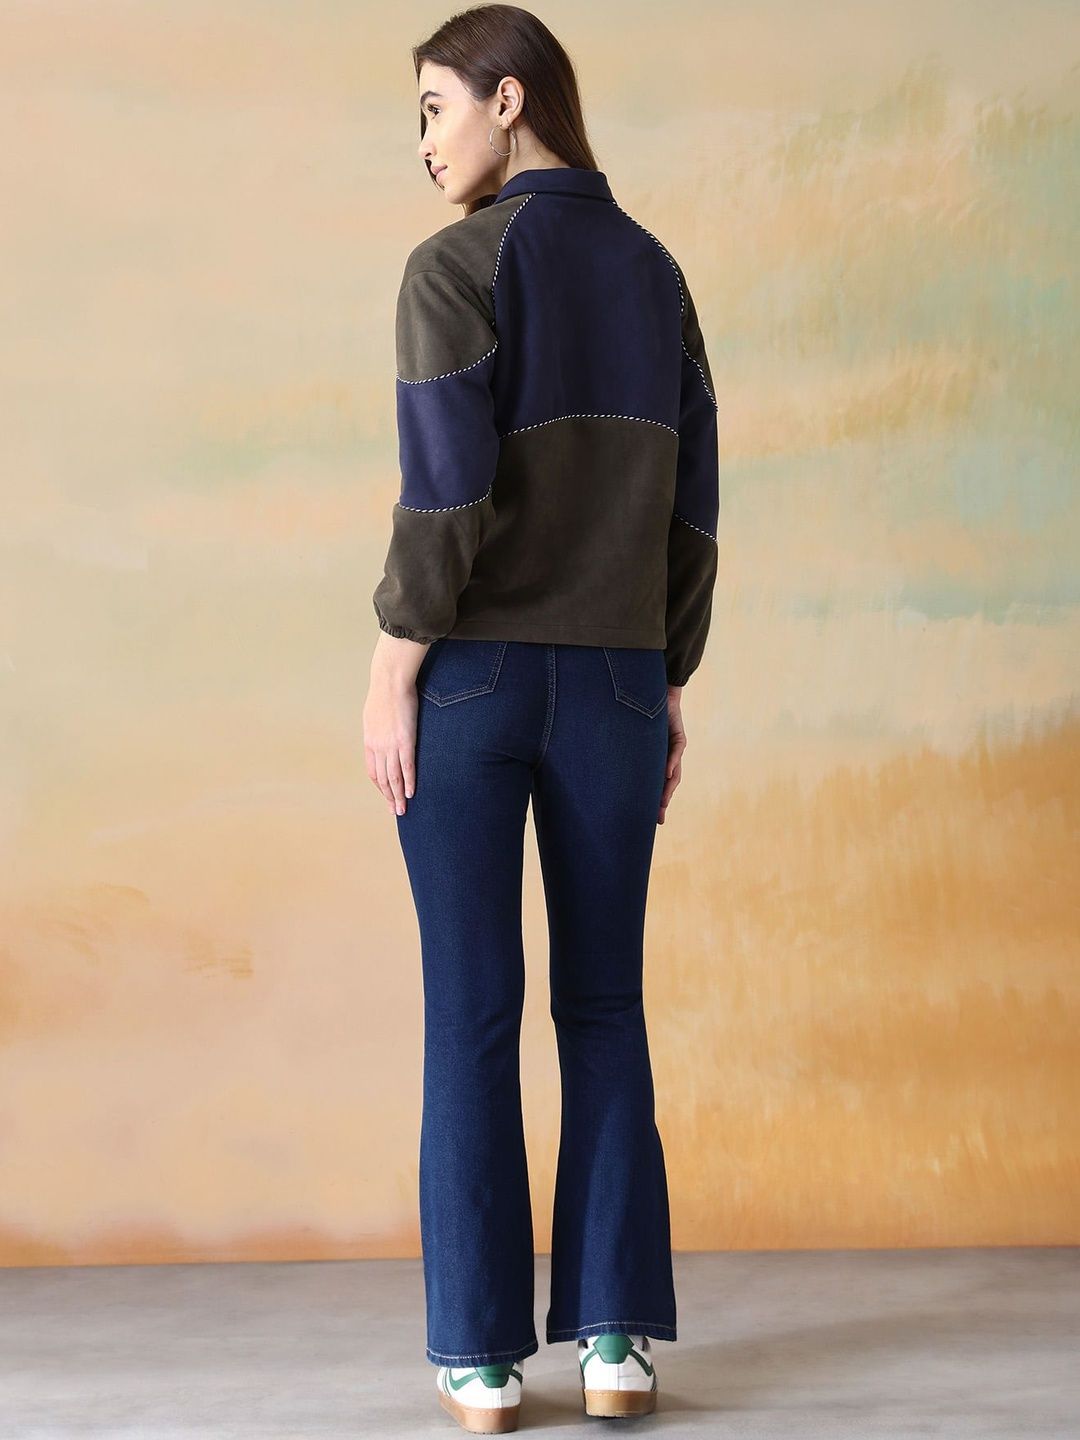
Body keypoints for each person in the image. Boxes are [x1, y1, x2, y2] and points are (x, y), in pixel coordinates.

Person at [363, 5, 719, 1431]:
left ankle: (481, 1358)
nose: (424, 144)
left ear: (508, 101)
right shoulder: (657, 272)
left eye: (434, 109)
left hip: (474, 677)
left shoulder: (454, 267)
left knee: (472, 1011)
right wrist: (667, 674)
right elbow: (693, 505)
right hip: (620, 680)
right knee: (606, 1003)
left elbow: (445, 497)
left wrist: (390, 668)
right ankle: (616, 1347)